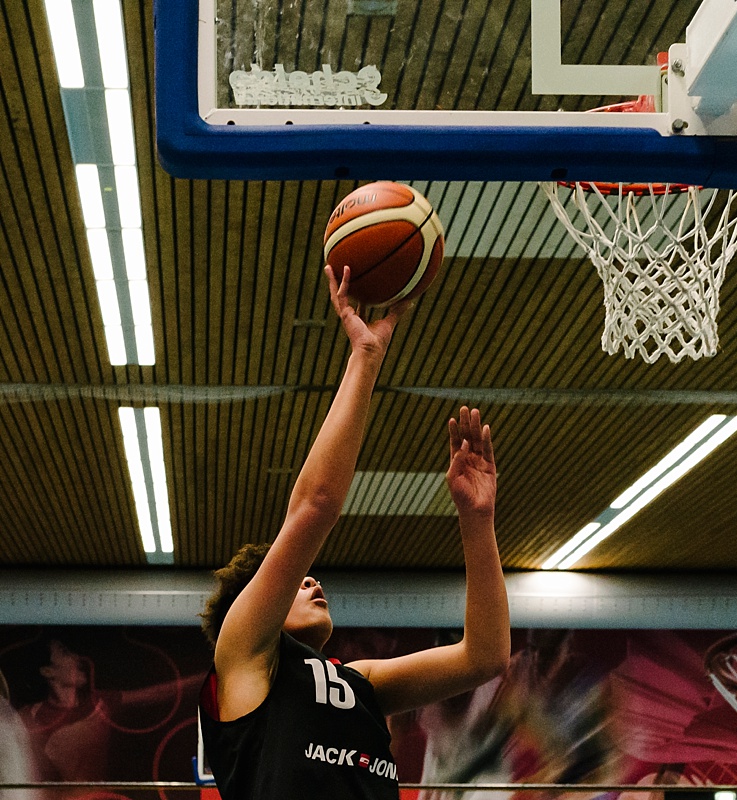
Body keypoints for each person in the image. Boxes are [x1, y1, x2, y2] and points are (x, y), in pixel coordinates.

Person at [198, 265, 510, 800]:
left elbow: (485, 658)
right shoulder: (244, 657)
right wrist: (365, 358)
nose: (313, 582)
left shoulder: (358, 684)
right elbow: (315, 507)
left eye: (308, 578)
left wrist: (477, 521)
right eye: (298, 583)